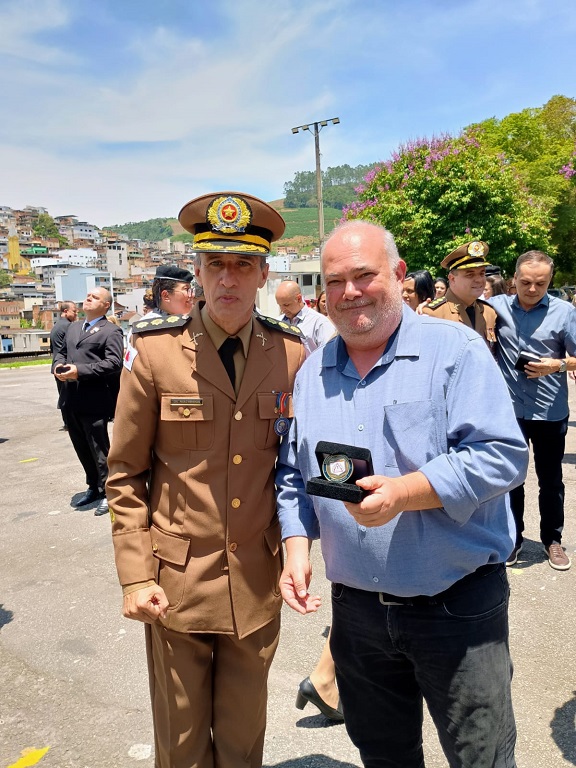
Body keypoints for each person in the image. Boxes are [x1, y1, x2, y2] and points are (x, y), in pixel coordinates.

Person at [276, 220, 528, 768]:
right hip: (356, 613)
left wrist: (404, 493)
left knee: (480, 757)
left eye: (363, 275)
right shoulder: (312, 373)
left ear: (397, 273)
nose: (349, 292)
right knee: (384, 755)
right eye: (334, 281)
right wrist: (296, 548)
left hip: (456, 606)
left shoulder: (455, 351)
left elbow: (502, 456)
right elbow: (294, 473)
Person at [106, 191, 306, 768]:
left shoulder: (290, 353)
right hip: (176, 583)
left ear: (264, 274)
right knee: (182, 743)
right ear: (196, 271)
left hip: (255, 580)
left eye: (244, 264)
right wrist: (135, 576)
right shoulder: (155, 353)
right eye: (215, 263)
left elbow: (292, 465)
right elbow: (125, 474)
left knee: (244, 740)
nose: (228, 278)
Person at [489, 251, 576, 570]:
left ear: (550, 280)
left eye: (541, 283)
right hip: (508, 411)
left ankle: (553, 540)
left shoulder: (564, 312)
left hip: (549, 409)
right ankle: (513, 539)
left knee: (550, 480)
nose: (532, 289)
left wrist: (558, 364)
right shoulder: (495, 307)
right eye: (525, 282)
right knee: (510, 479)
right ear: (513, 279)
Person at [53, 288, 123, 517]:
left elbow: (114, 362)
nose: (88, 298)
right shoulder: (73, 328)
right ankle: (93, 485)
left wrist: (80, 371)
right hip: (70, 397)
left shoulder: (110, 330)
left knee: (99, 449)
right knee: (81, 446)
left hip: (94, 399)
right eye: (88, 296)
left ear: (106, 305)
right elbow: (60, 352)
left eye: (95, 297)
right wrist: (58, 365)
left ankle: (109, 492)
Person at [422, 240, 497, 348]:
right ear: (452, 279)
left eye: (482, 273)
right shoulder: (433, 314)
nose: (479, 280)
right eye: (470, 275)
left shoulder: (489, 312)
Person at [276, 280, 334, 353]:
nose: (282, 309)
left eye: (286, 305)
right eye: (280, 305)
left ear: (299, 299)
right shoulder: (277, 323)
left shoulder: (320, 323)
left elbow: (329, 353)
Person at [50, 300, 78, 429]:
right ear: (65, 311)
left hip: (57, 365)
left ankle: (67, 422)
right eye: (74, 311)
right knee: (71, 396)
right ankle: (72, 423)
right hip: (67, 366)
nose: (76, 314)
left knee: (63, 395)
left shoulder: (56, 326)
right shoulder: (69, 326)